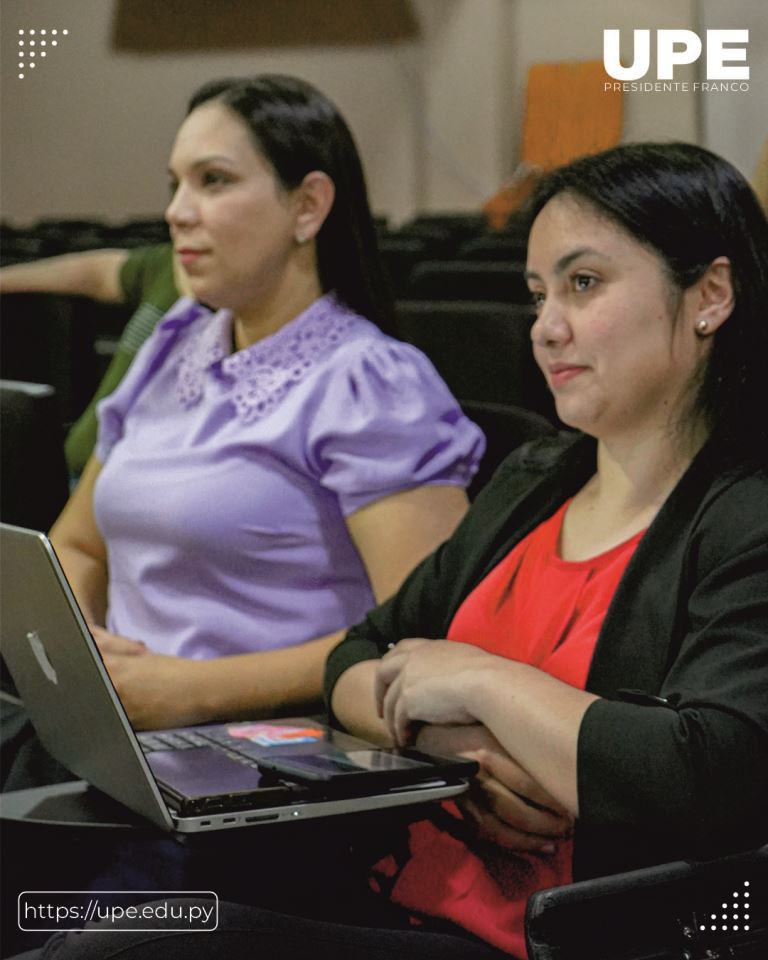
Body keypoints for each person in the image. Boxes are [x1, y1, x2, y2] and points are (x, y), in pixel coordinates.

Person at [18, 140, 768, 960]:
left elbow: (705, 772)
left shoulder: (745, 514)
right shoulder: (539, 477)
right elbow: (357, 657)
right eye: (537, 293)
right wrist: (458, 745)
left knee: (130, 949)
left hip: (544, 937)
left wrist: (478, 676)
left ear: (711, 295)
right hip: (382, 877)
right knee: (88, 920)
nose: (547, 328)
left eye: (583, 285)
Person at [44, 74, 484, 733]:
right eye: (176, 184)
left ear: (307, 206)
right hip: (123, 736)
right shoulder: (174, 347)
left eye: (213, 180)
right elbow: (77, 544)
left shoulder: (369, 383)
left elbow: (421, 632)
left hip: (272, 759)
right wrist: (85, 658)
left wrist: (195, 690)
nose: (177, 211)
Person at [0, 243, 181, 474]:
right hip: (77, 471)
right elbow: (97, 272)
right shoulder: (174, 263)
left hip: (128, 488)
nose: (177, 214)